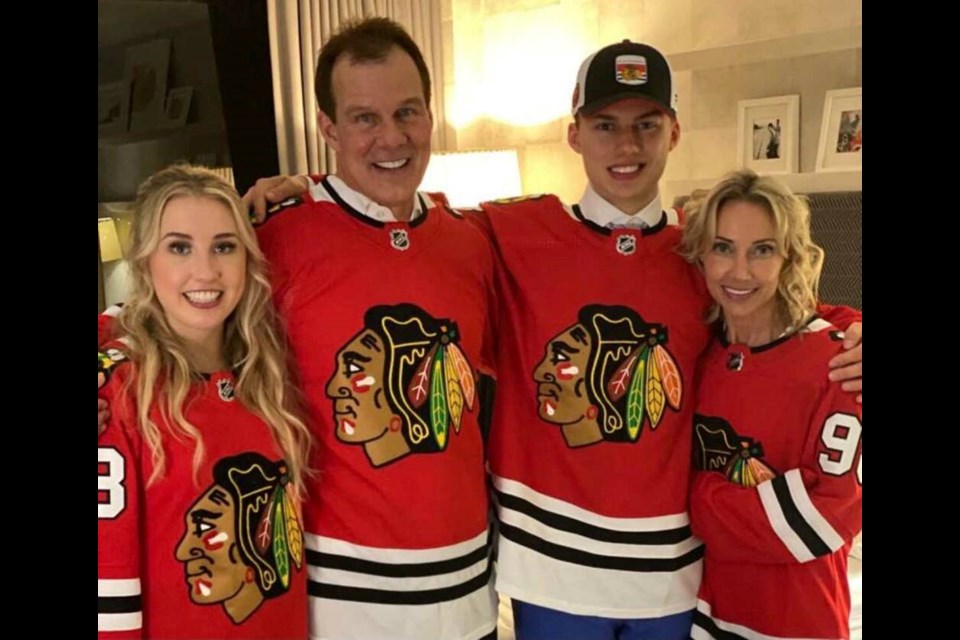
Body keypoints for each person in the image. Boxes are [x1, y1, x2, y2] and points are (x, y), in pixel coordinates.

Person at [238, 37, 863, 640]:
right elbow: (382, 228)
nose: (626, 144)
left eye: (646, 124)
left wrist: (850, 327)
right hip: (543, 571)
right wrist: (297, 192)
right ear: (574, 134)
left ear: (674, 131)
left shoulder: (700, 249)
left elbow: (772, 304)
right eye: (604, 125)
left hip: (670, 569)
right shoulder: (508, 232)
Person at [97, 18, 499, 640]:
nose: (391, 137)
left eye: (407, 112)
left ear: (430, 114)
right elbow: (172, 304)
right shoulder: (277, 235)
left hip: (468, 585)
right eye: (365, 118)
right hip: (336, 594)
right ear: (329, 129)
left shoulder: (471, 242)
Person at [97, 165, 311, 639]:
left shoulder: (267, 372)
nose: (206, 271)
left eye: (223, 246)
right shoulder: (118, 390)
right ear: (144, 261)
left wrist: (311, 183)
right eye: (179, 247)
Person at [680, 169, 861, 639]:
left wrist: (694, 497)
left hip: (800, 622)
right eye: (723, 247)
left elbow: (821, 522)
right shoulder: (695, 352)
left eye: (762, 250)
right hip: (702, 615)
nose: (739, 271)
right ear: (700, 255)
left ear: (790, 258)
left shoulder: (841, 364)